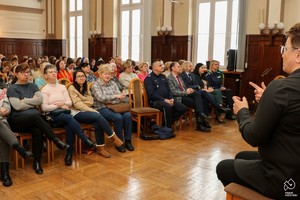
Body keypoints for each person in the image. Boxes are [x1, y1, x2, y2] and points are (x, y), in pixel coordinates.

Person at [216, 23, 300, 199]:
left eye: (285, 48)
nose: (283, 53)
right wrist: (268, 99)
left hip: (285, 177)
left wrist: (242, 112)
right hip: (292, 157)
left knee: (223, 167)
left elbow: (254, 137)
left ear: (298, 55)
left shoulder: (282, 87)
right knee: (241, 156)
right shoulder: (283, 90)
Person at [7, 63, 69, 174]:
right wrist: (31, 102)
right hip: (17, 120)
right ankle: (55, 139)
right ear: (16, 74)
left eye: (28, 72)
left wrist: (24, 100)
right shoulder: (12, 88)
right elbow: (17, 106)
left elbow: (39, 100)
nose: (26, 75)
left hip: (34, 119)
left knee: (37, 130)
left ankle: (37, 161)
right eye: (23, 73)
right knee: (36, 116)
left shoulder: (33, 86)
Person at [41, 64, 96, 166]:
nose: (53, 73)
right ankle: (84, 139)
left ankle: (69, 155)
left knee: (70, 126)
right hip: (53, 118)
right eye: (50, 72)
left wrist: (63, 104)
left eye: (54, 71)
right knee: (68, 118)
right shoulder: (45, 89)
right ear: (45, 76)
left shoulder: (62, 87)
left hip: (65, 115)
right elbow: (44, 108)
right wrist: (59, 106)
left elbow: (70, 103)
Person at [68, 70, 123, 158]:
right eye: (79, 76)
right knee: (98, 116)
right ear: (75, 79)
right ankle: (114, 138)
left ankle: (100, 148)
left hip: (87, 110)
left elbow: (91, 101)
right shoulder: (72, 88)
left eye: (83, 76)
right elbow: (77, 105)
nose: (82, 78)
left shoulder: (85, 87)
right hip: (76, 113)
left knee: (98, 122)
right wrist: (90, 108)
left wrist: (85, 104)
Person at [91, 64, 134, 153]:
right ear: (100, 74)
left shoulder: (113, 83)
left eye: (109, 74)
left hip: (115, 107)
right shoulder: (96, 84)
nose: (107, 76)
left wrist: (116, 97)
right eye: (105, 74)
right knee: (118, 117)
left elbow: (120, 97)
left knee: (128, 115)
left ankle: (128, 140)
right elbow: (101, 98)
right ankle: (119, 142)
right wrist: (115, 96)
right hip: (101, 107)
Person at [0, 88, 33, 186]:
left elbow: (7, 107)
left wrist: (5, 110)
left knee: (2, 136)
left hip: (2, 121)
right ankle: (5, 172)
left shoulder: (1, 91)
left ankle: (4, 172)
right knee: (2, 127)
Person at [167, 61, 211, 132]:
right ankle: (200, 122)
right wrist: (186, 92)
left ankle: (200, 120)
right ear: (173, 68)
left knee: (197, 95)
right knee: (198, 102)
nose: (180, 68)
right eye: (178, 66)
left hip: (185, 95)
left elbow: (184, 87)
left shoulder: (179, 77)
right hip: (178, 98)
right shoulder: (169, 78)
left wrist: (189, 89)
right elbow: (174, 92)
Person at [144, 59, 186, 129]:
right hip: (155, 101)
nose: (163, 66)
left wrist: (171, 98)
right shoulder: (149, 78)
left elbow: (169, 90)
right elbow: (151, 94)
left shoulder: (163, 77)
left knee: (182, 108)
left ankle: (165, 123)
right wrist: (164, 100)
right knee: (167, 106)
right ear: (154, 67)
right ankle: (167, 128)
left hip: (167, 99)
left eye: (163, 64)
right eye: (160, 65)